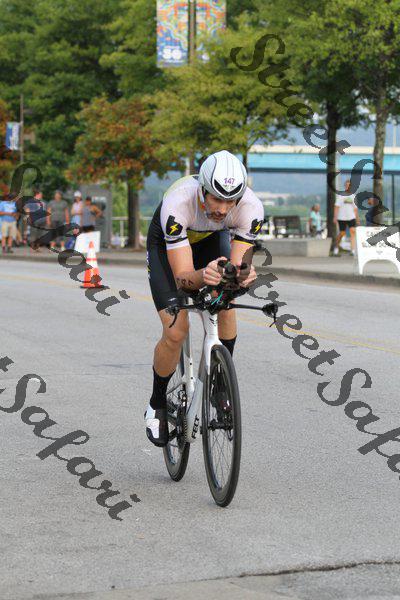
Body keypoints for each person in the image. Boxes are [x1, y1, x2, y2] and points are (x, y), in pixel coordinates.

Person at [145, 150, 263, 447]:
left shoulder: (251, 208)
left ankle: (220, 385)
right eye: (216, 199)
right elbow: (184, 278)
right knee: (176, 330)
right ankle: (157, 403)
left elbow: (237, 266)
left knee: (226, 301)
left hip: (211, 239)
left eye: (231, 201)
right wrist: (203, 275)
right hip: (168, 245)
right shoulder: (179, 203)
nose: (223, 209)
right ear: (203, 190)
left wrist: (241, 276)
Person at [333, 180, 360, 256]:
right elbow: (336, 207)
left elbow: (355, 209)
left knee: (352, 231)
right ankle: (336, 247)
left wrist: (357, 218)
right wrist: (335, 217)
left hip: (351, 217)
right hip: (342, 217)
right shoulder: (341, 196)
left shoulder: (353, 196)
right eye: (347, 185)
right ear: (345, 186)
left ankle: (352, 250)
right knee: (342, 233)